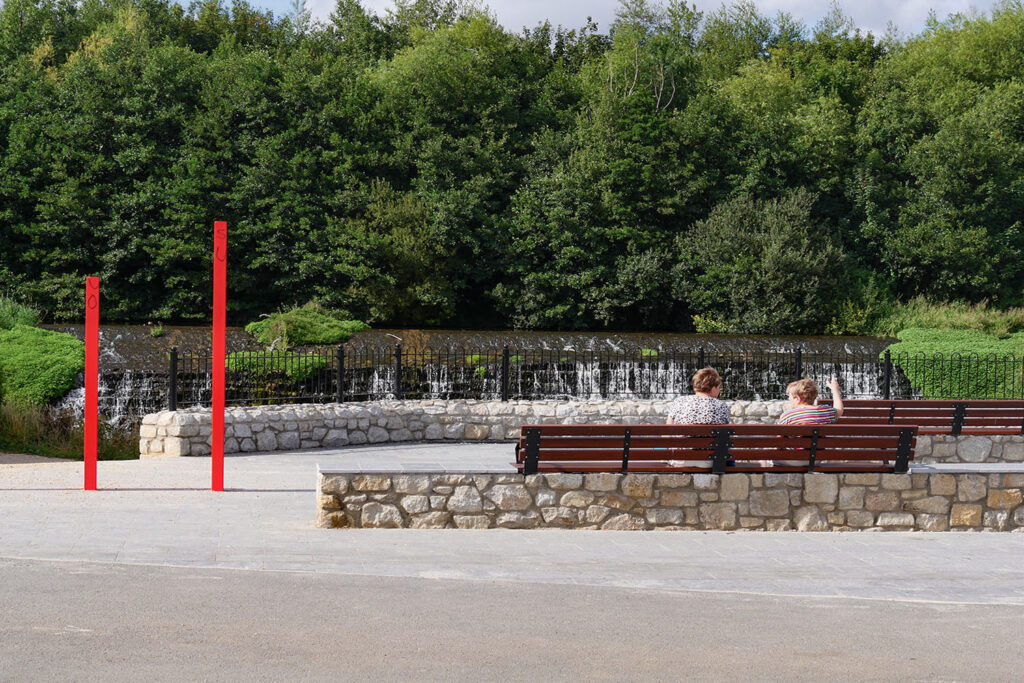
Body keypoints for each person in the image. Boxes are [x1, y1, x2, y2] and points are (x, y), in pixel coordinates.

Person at [666, 367, 730, 425]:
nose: (719, 390)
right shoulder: (722, 406)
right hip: (711, 438)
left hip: (682, 437)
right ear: (713, 389)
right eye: (719, 387)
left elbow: (668, 429)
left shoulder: (679, 402)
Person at [778, 378, 844, 425]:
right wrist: (835, 389)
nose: (789, 399)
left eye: (790, 397)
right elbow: (839, 410)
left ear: (797, 398)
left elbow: (780, 436)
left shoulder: (788, 416)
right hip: (821, 444)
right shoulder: (826, 411)